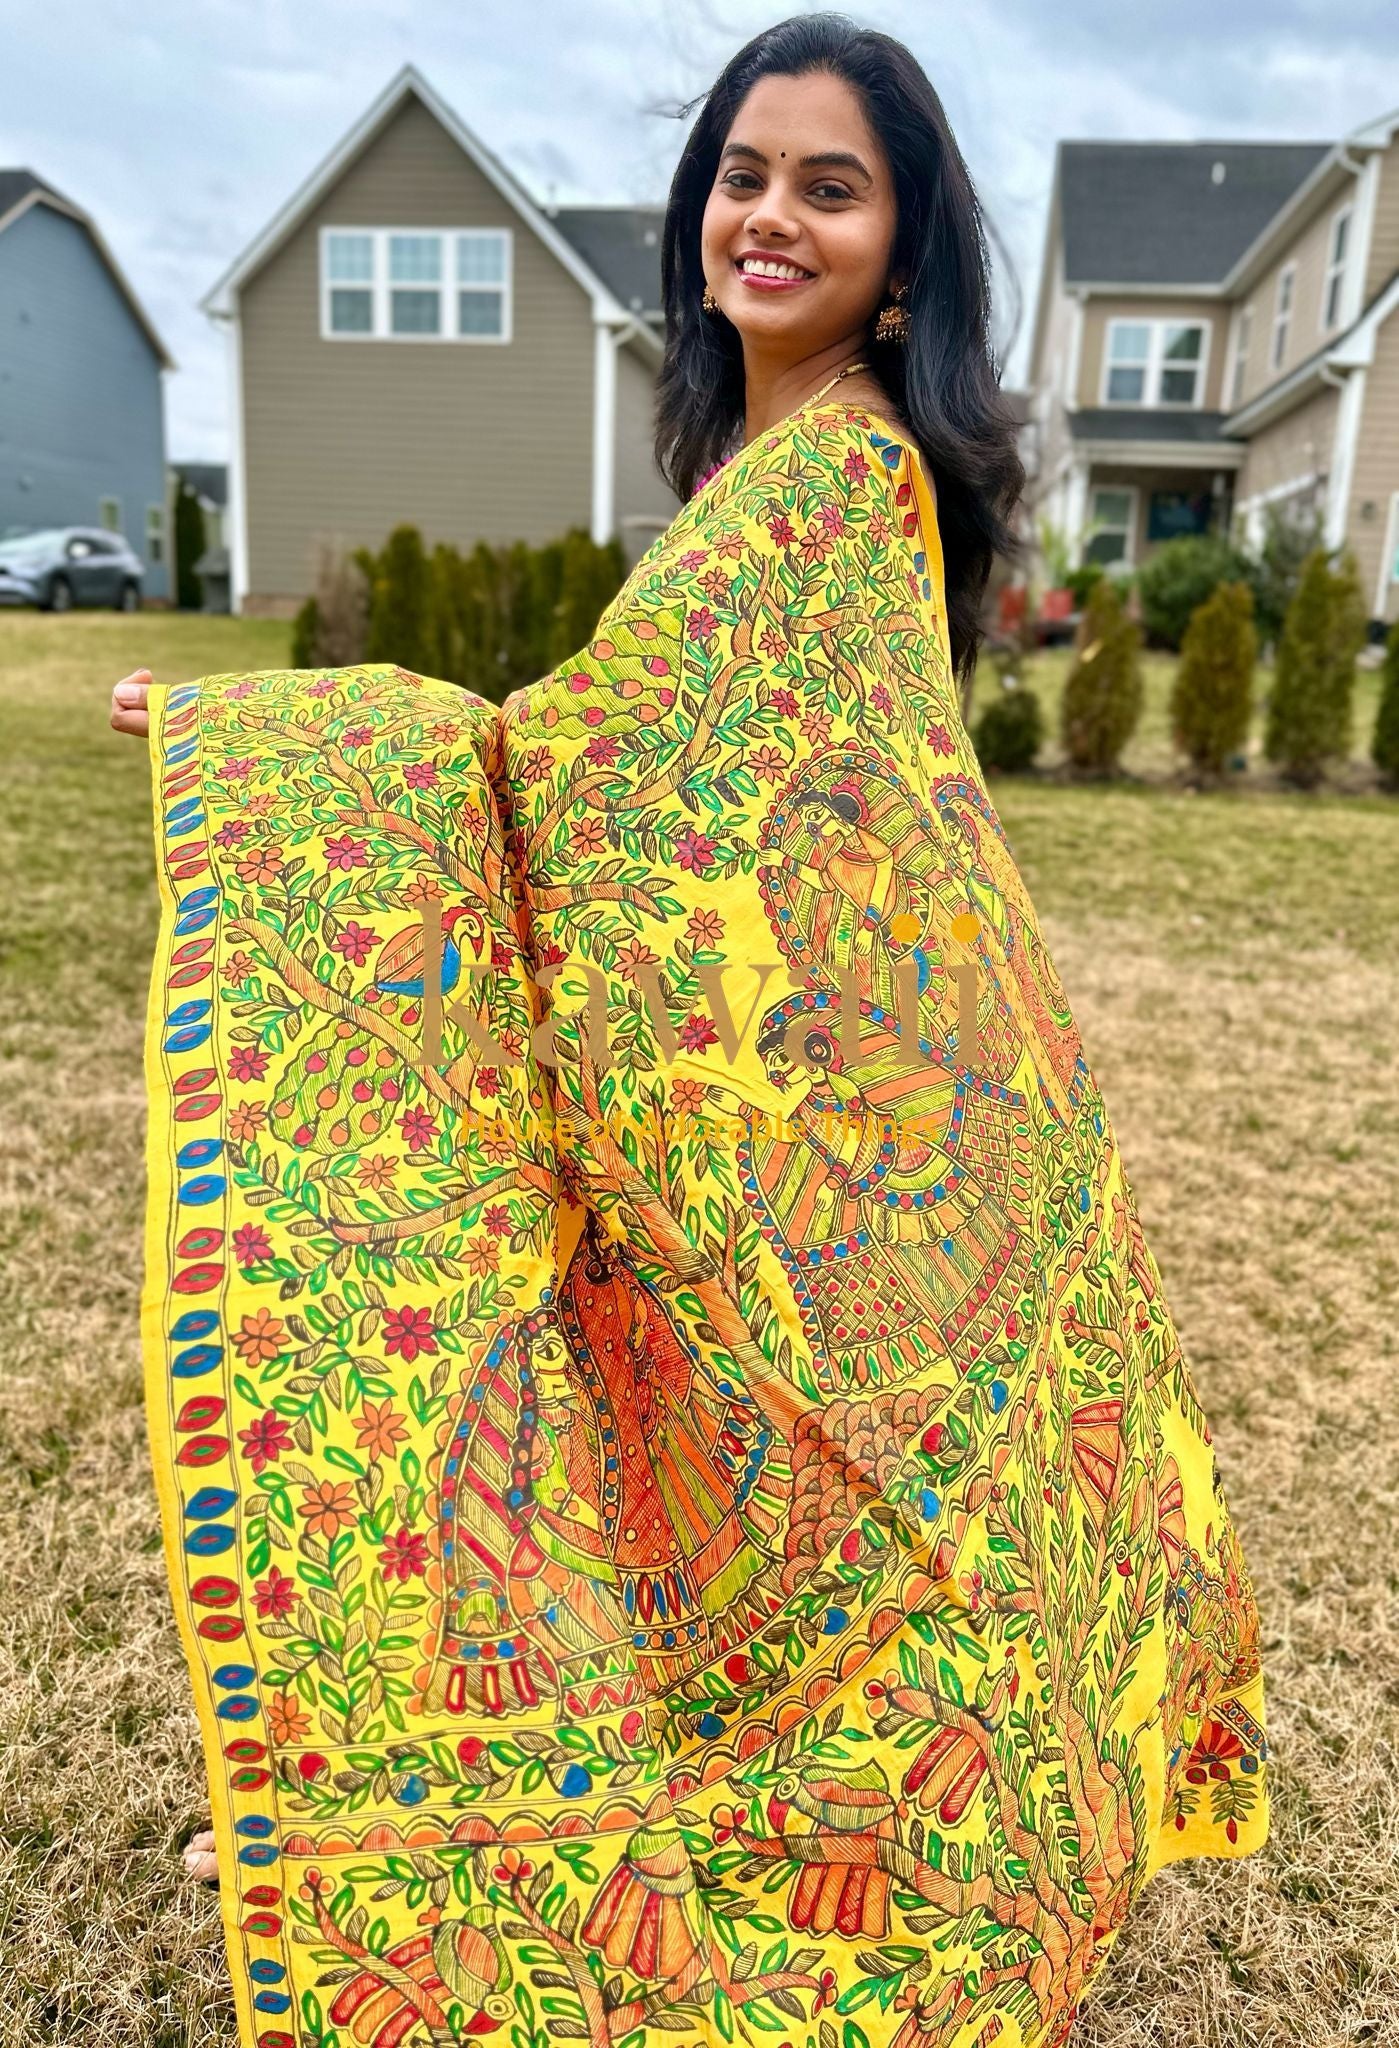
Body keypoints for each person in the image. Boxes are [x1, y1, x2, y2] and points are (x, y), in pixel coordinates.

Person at [111, 16, 1268, 2046]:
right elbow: (648, 779)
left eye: (830, 186)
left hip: (854, 1113)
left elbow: (626, 774)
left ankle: (915, 1868)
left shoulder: (842, 481)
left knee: (867, 1509)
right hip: (767, 1099)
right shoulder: (763, 463)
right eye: (744, 173)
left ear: (901, 255)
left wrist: (296, 741)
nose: (769, 216)